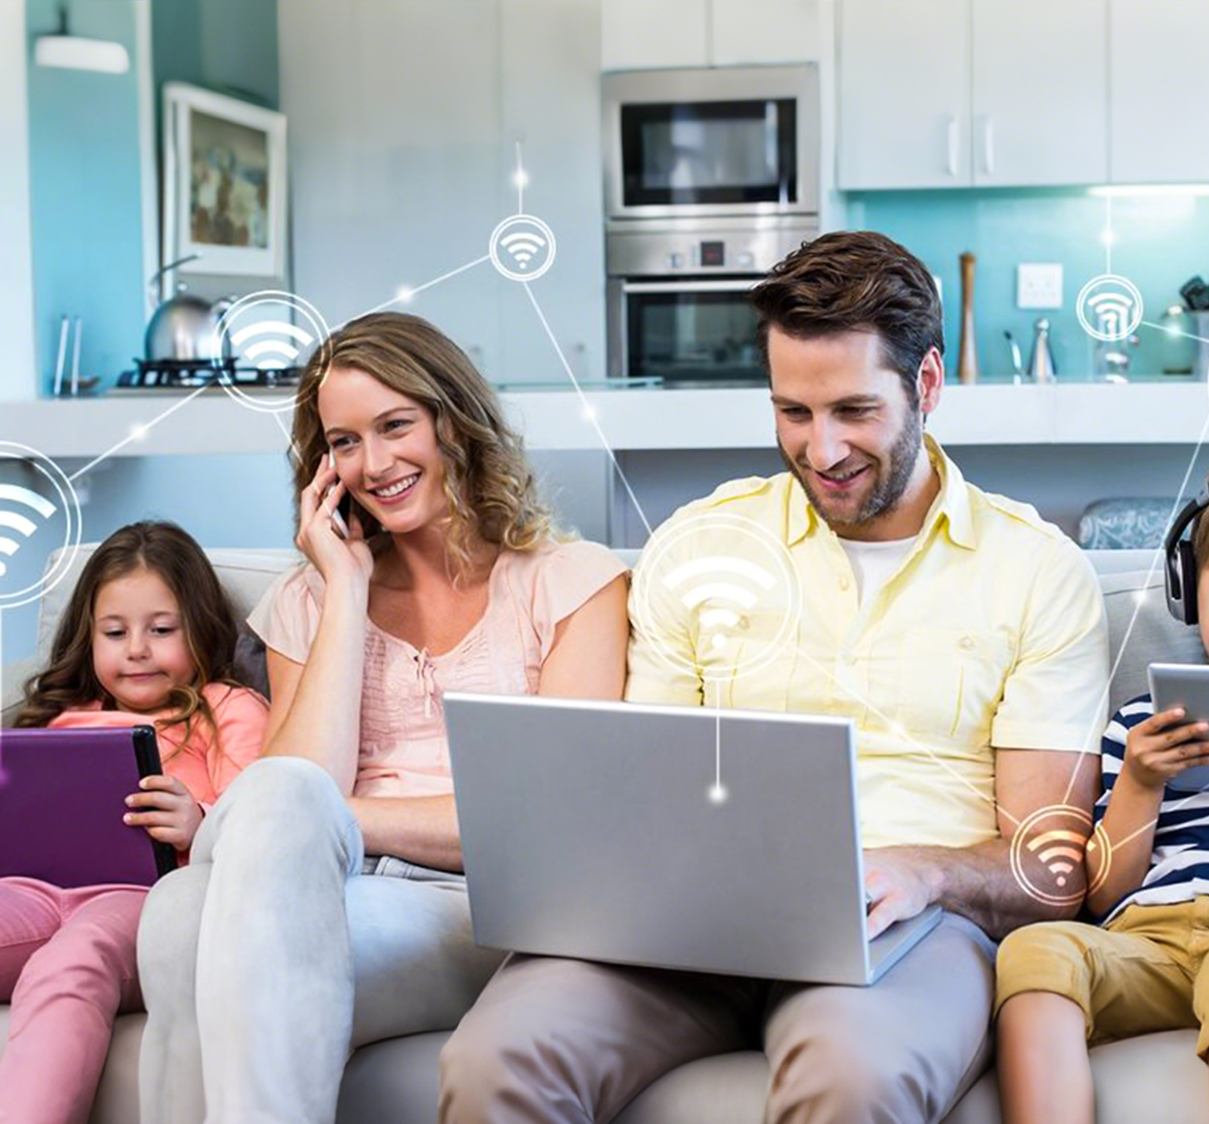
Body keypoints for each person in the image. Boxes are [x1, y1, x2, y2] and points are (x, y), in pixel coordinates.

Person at [438, 231, 1110, 1124]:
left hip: (904, 928)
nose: (821, 449)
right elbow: (639, 785)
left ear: (927, 384)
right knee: (494, 1060)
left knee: (851, 1076)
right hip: (684, 924)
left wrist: (920, 873)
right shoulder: (698, 545)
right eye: (793, 412)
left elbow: (1049, 869)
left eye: (853, 410)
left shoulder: (1035, 572)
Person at [136, 312, 630, 1124]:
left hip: (484, 907)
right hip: (319, 886)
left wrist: (333, 819)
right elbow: (298, 784)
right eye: (344, 442)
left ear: (453, 420)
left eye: (395, 426)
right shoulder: (309, 598)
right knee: (174, 917)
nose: (372, 464)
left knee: (218, 894)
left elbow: (541, 823)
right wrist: (345, 588)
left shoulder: (572, 582)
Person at [996, 449, 1209, 1124]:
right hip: (1148, 937)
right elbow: (1105, 893)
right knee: (1034, 949)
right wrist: (1139, 780)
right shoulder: (1139, 725)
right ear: (1188, 590)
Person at [0, 521, 268, 1124]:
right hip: (29, 891)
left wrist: (199, 821)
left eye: (161, 630)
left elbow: (262, 815)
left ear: (200, 627)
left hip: (143, 901)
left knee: (71, 962)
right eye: (115, 633)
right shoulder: (60, 717)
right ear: (89, 636)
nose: (137, 649)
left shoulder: (228, 707)